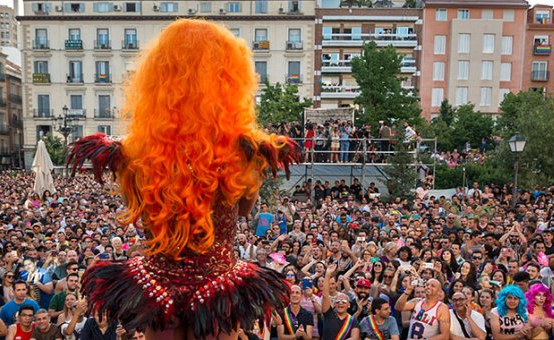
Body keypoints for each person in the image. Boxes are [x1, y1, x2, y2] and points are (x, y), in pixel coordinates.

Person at [68, 19, 301, 339]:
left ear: (157, 78)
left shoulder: (134, 153)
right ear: (228, 80)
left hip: (159, 289)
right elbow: (245, 211)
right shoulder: (244, 151)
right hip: (218, 290)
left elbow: (135, 208)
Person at [320, 263, 360, 340]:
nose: (340, 303)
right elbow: (325, 296)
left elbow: (355, 337)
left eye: (344, 301)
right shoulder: (328, 314)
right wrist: (328, 274)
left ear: (348, 305)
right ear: (334, 304)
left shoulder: (352, 321)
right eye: (338, 301)